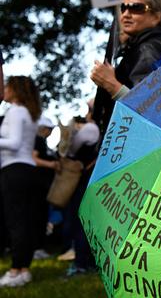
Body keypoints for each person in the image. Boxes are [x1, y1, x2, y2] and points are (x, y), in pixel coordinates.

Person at [91, 0, 161, 134]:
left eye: (136, 8)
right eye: (123, 8)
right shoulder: (155, 46)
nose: (126, 14)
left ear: (156, 17)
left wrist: (111, 84)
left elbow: (151, 112)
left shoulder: (147, 50)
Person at [0, 76, 41, 287]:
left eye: (7, 85)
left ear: (15, 90)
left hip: (14, 170)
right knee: (24, 221)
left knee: (16, 221)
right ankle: (24, 269)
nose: (4, 89)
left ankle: (16, 270)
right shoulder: (28, 112)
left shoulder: (16, 111)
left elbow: (14, 143)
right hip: (26, 170)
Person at [63, 99, 100, 276]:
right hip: (92, 178)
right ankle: (90, 262)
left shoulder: (90, 128)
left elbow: (71, 150)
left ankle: (81, 263)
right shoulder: (101, 127)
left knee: (81, 221)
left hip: (83, 179)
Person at [31, 116, 58, 260]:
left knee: (42, 216)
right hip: (37, 185)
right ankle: (36, 247)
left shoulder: (44, 143)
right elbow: (33, 159)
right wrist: (51, 165)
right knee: (38, 216)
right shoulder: (38, 140)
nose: (51, 132)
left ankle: (40, 246)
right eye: (50, 129)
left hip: (44, 186)